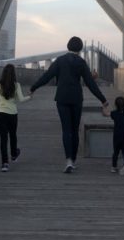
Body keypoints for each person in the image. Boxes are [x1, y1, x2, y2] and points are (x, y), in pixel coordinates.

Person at [29, 36, 108, 173]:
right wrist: (103, 99)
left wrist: (33, 88)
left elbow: (47, 76)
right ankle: (74, 160)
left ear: (68, 46)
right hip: (76, 99)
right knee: (75, 130)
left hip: (62, 98)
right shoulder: (81, 62)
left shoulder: (60, 60)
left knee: (66, 130)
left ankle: (69, 161)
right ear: (80, 48)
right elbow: (90, 83)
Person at [0, 63, 30, 172]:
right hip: (13, 114)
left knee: (3, 139)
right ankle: (14, 154)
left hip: (1, 114)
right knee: (13, 135)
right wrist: (30, 97)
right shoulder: (16, 85)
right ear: (14, 73)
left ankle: (4, 163)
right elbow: (22, 99)